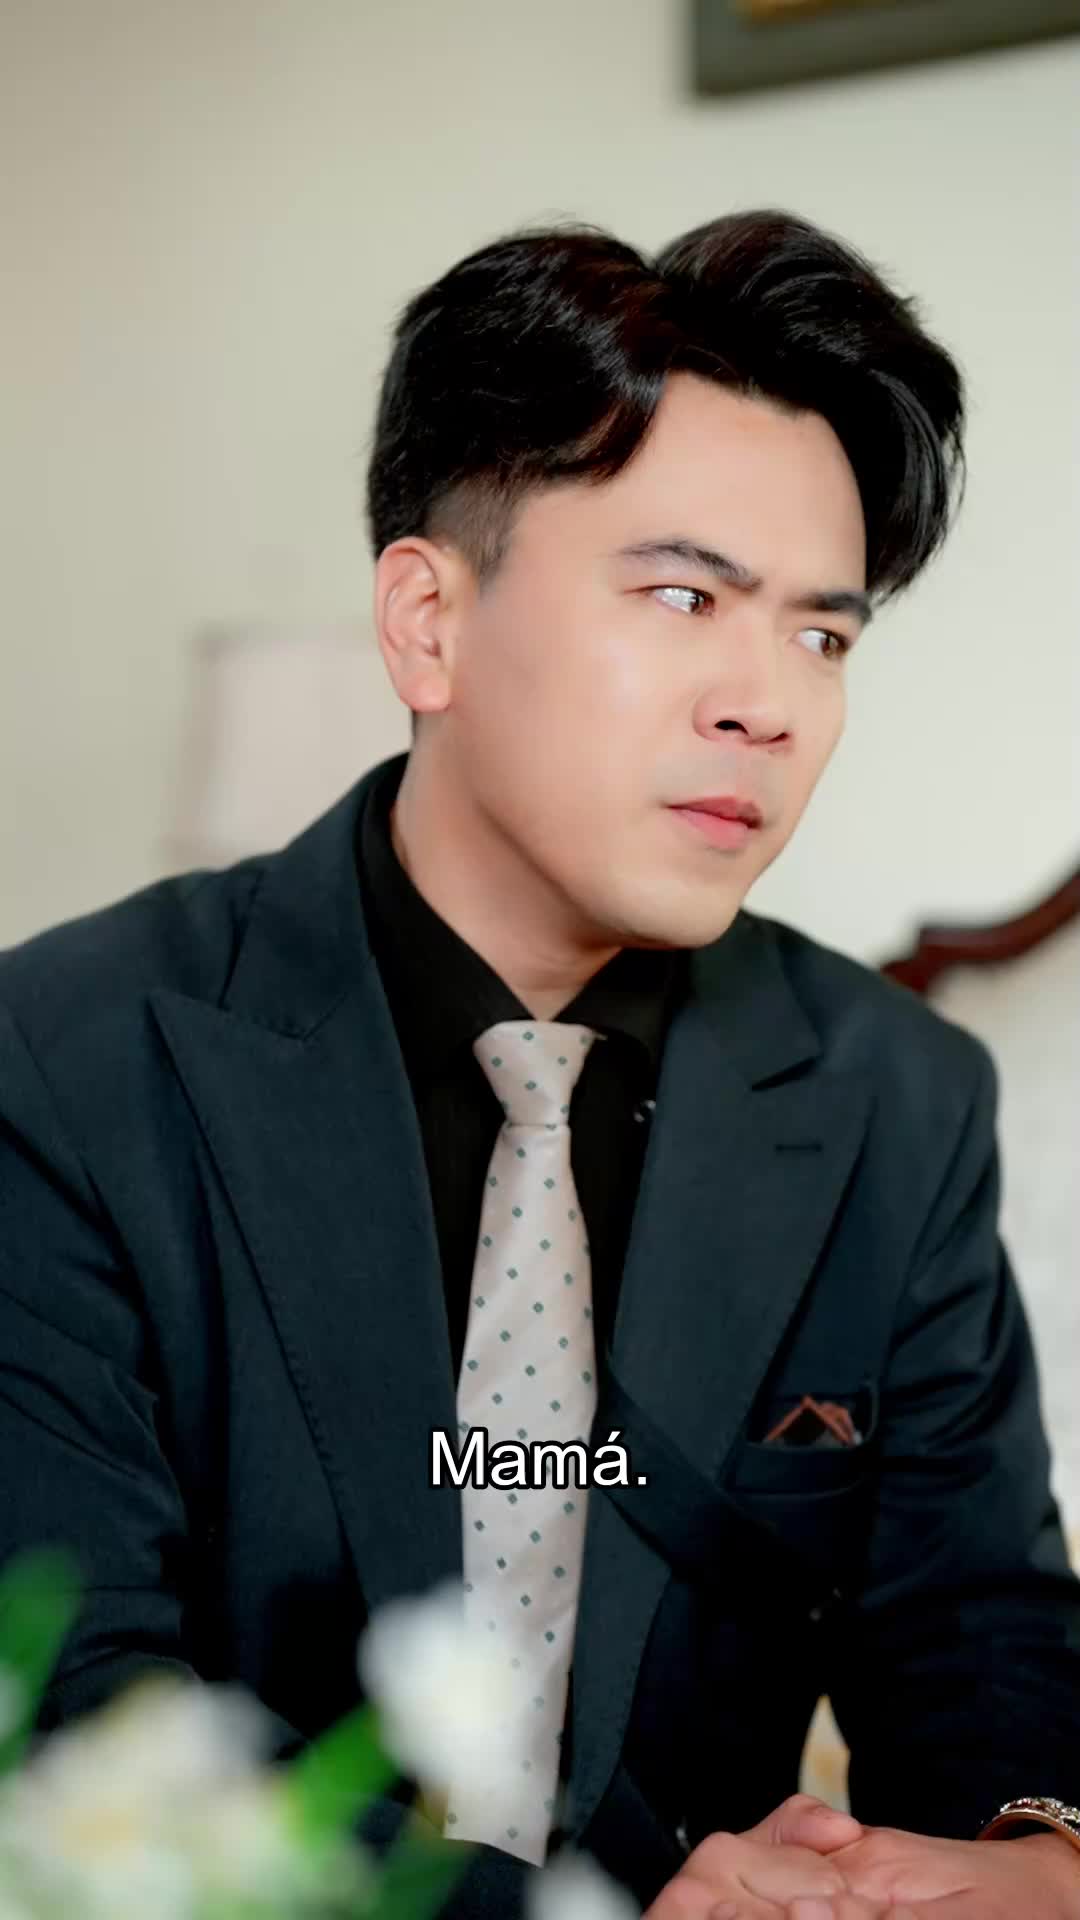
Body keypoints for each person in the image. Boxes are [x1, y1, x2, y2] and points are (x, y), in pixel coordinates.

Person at [1, 210, 1078, 1919]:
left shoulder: (895, 1097)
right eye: (683, 596)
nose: (768, 703)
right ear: (427, 623)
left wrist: (1029, 1858)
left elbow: (976, 1631)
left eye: (823, 636)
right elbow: (74, 1709)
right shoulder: (69, 1061)